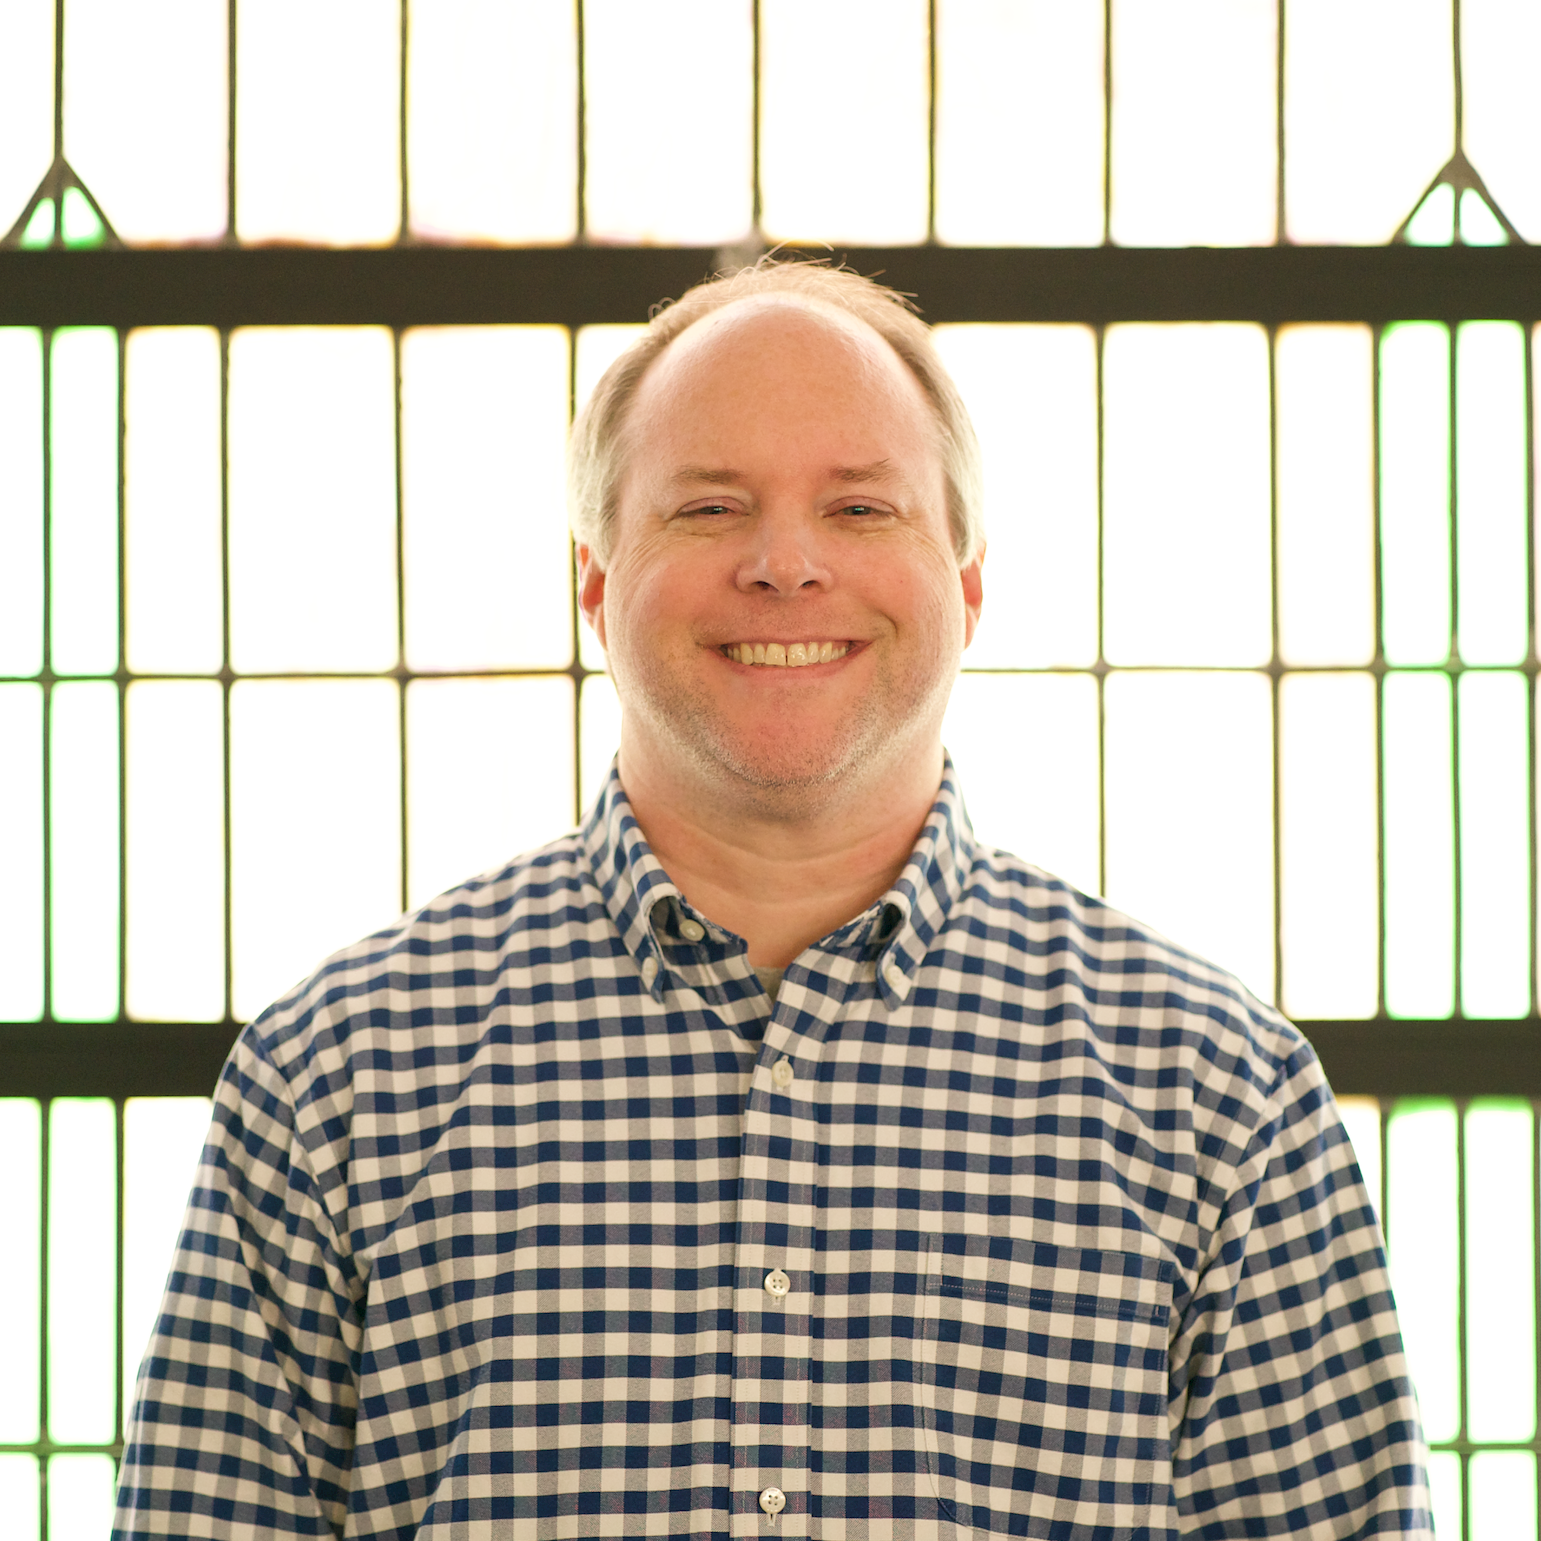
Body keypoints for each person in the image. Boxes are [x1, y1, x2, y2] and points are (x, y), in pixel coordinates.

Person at [114, 259, 1431, 1538]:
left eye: (861, 509)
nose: (786, 566)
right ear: (593, 581)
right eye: (708, 508)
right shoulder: (341, 1077)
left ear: (968, 587)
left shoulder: (1216, 1098)